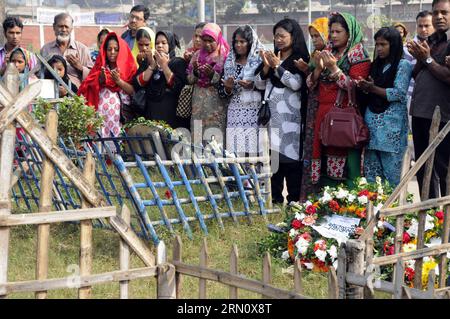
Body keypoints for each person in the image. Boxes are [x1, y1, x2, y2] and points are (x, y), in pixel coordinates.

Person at [306, 12, 371, 189]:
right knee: (324, 159)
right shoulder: (327, 52)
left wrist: (334, 68)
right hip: (322, 113)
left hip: (344, 115)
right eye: (331, 31)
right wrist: (318, 70)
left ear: (349, 33)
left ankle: (348, 207)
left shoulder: (358, 55)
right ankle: (324, 204)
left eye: (338, 32)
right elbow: (310, 84)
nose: (333, 35)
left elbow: (355, 87)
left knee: (346, 158)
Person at [254, 18, 310, 204]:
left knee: (292, 163)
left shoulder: (301, 59)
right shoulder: (272, 56)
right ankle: (275, 202)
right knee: (274, 163)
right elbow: (259, 83)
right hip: (273, 122)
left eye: (282, 36)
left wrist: (278, 66)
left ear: (293, 37)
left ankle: (294, 203)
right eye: (276, 35)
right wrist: (267, 66)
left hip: (291, 122)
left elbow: (296, 83)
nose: (278, 39)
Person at [356, 27, 412, 186]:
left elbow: (399, 94)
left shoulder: (403, 65)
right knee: (372, 177)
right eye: (377, 44)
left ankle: (394, 210)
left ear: (393, 45)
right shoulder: (375, 66)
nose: (379, 48)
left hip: (391, 131)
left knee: (394, 178)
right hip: (372, 129)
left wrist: (372, 88)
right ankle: (372, 211)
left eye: (383, 44)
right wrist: (364, 87)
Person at [407, 0, 450, 199]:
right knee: (424, 167)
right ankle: (430, 214)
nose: (439, 16)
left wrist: (427, 59)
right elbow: (417, 74)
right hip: (420, 111)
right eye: (436, 12)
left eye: (444, 12)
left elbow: (447, 76)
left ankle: (445, 220)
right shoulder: (431, 40)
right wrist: (420, 55)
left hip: (441, 116)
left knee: (443, 169)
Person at [78, 32, 137, 140]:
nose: (112, 52)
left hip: (120, 118)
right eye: (109, 49)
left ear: (122, 50)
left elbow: (133, 91)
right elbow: (87, 86)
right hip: (101, 117)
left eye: (116, 49)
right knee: (101, 148)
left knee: (118, 149)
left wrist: (118, 81)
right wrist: (99, 80)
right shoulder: (100, 67)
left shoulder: (129, 68)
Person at [219, 25, 264, 156]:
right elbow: (222, 92)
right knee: (237, 153)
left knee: (253, 154)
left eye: (242, 42)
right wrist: (228, 88)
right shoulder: (230, 62)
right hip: (235, 112)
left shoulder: (259, 61)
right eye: (236, 42)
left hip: (254, 112)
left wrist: (253, 86)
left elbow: (267, 84)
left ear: (250, 43)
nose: (238, 45)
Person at [297, 17, 329, 201]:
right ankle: (310, 198)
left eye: (318, 35)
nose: (315, 40)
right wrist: (310, 69)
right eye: (312, 36)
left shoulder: (332, 55)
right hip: (313, 107)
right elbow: (310, 83)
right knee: (312, 148)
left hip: (329, 107)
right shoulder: (314, 55)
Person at [132, 30, 187, 128]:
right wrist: (152, 66)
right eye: (157, 43)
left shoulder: (178, 63)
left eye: (163, 43)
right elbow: (137, 84)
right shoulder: (149, 61)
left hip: (171, 118)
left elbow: (179, 87)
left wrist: (164, 66)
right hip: (150, 116)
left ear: (170, 44)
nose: (159, 46)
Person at [187, 23, 230, 146]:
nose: (207, 44)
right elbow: (189, 80)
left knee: (215, 143)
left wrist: (212, 75)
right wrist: (195, 71)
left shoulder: (225, 57)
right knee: (198, 142)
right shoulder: (197, 55)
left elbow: (227, 84)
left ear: (218, 39)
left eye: (211, 41)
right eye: (204, 40)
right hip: (198, 106)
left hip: (216, 106)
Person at [41, 13, 93, 88]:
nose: (64, 30)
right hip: (52, 94)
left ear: (71, 28)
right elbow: (39, 73)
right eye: (60, 26)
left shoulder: (82, 49)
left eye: (66, 27)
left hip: (77, 95)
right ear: (54, 27)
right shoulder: (46, 49)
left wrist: (80, 67)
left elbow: (93, 76)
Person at [404, 11, 435, 133]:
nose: (423, 29)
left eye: (427, 26)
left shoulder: (440, 46)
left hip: (434, 97)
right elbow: (407, 74)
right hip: (412, 97)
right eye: (420, 26)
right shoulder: (408, 48)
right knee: (416, 133)